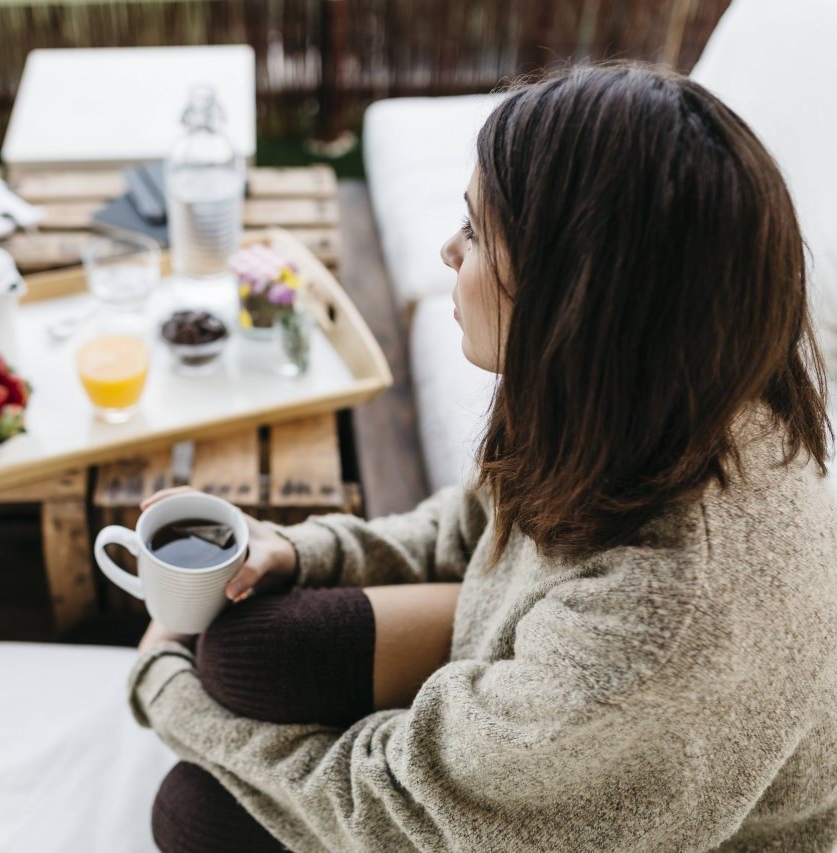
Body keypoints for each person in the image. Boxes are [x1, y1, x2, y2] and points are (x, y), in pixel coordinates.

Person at [127, 61, 837, 852]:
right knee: (246, 652)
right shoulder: (664, 397)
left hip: (620, 794)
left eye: (474, 230)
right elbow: (479, 521)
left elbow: (393, 811)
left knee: (191, 812)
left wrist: (168, 692)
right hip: (555, 713)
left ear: (575, 294)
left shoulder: (653, 625)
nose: (446, 251)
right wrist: (302, 549)